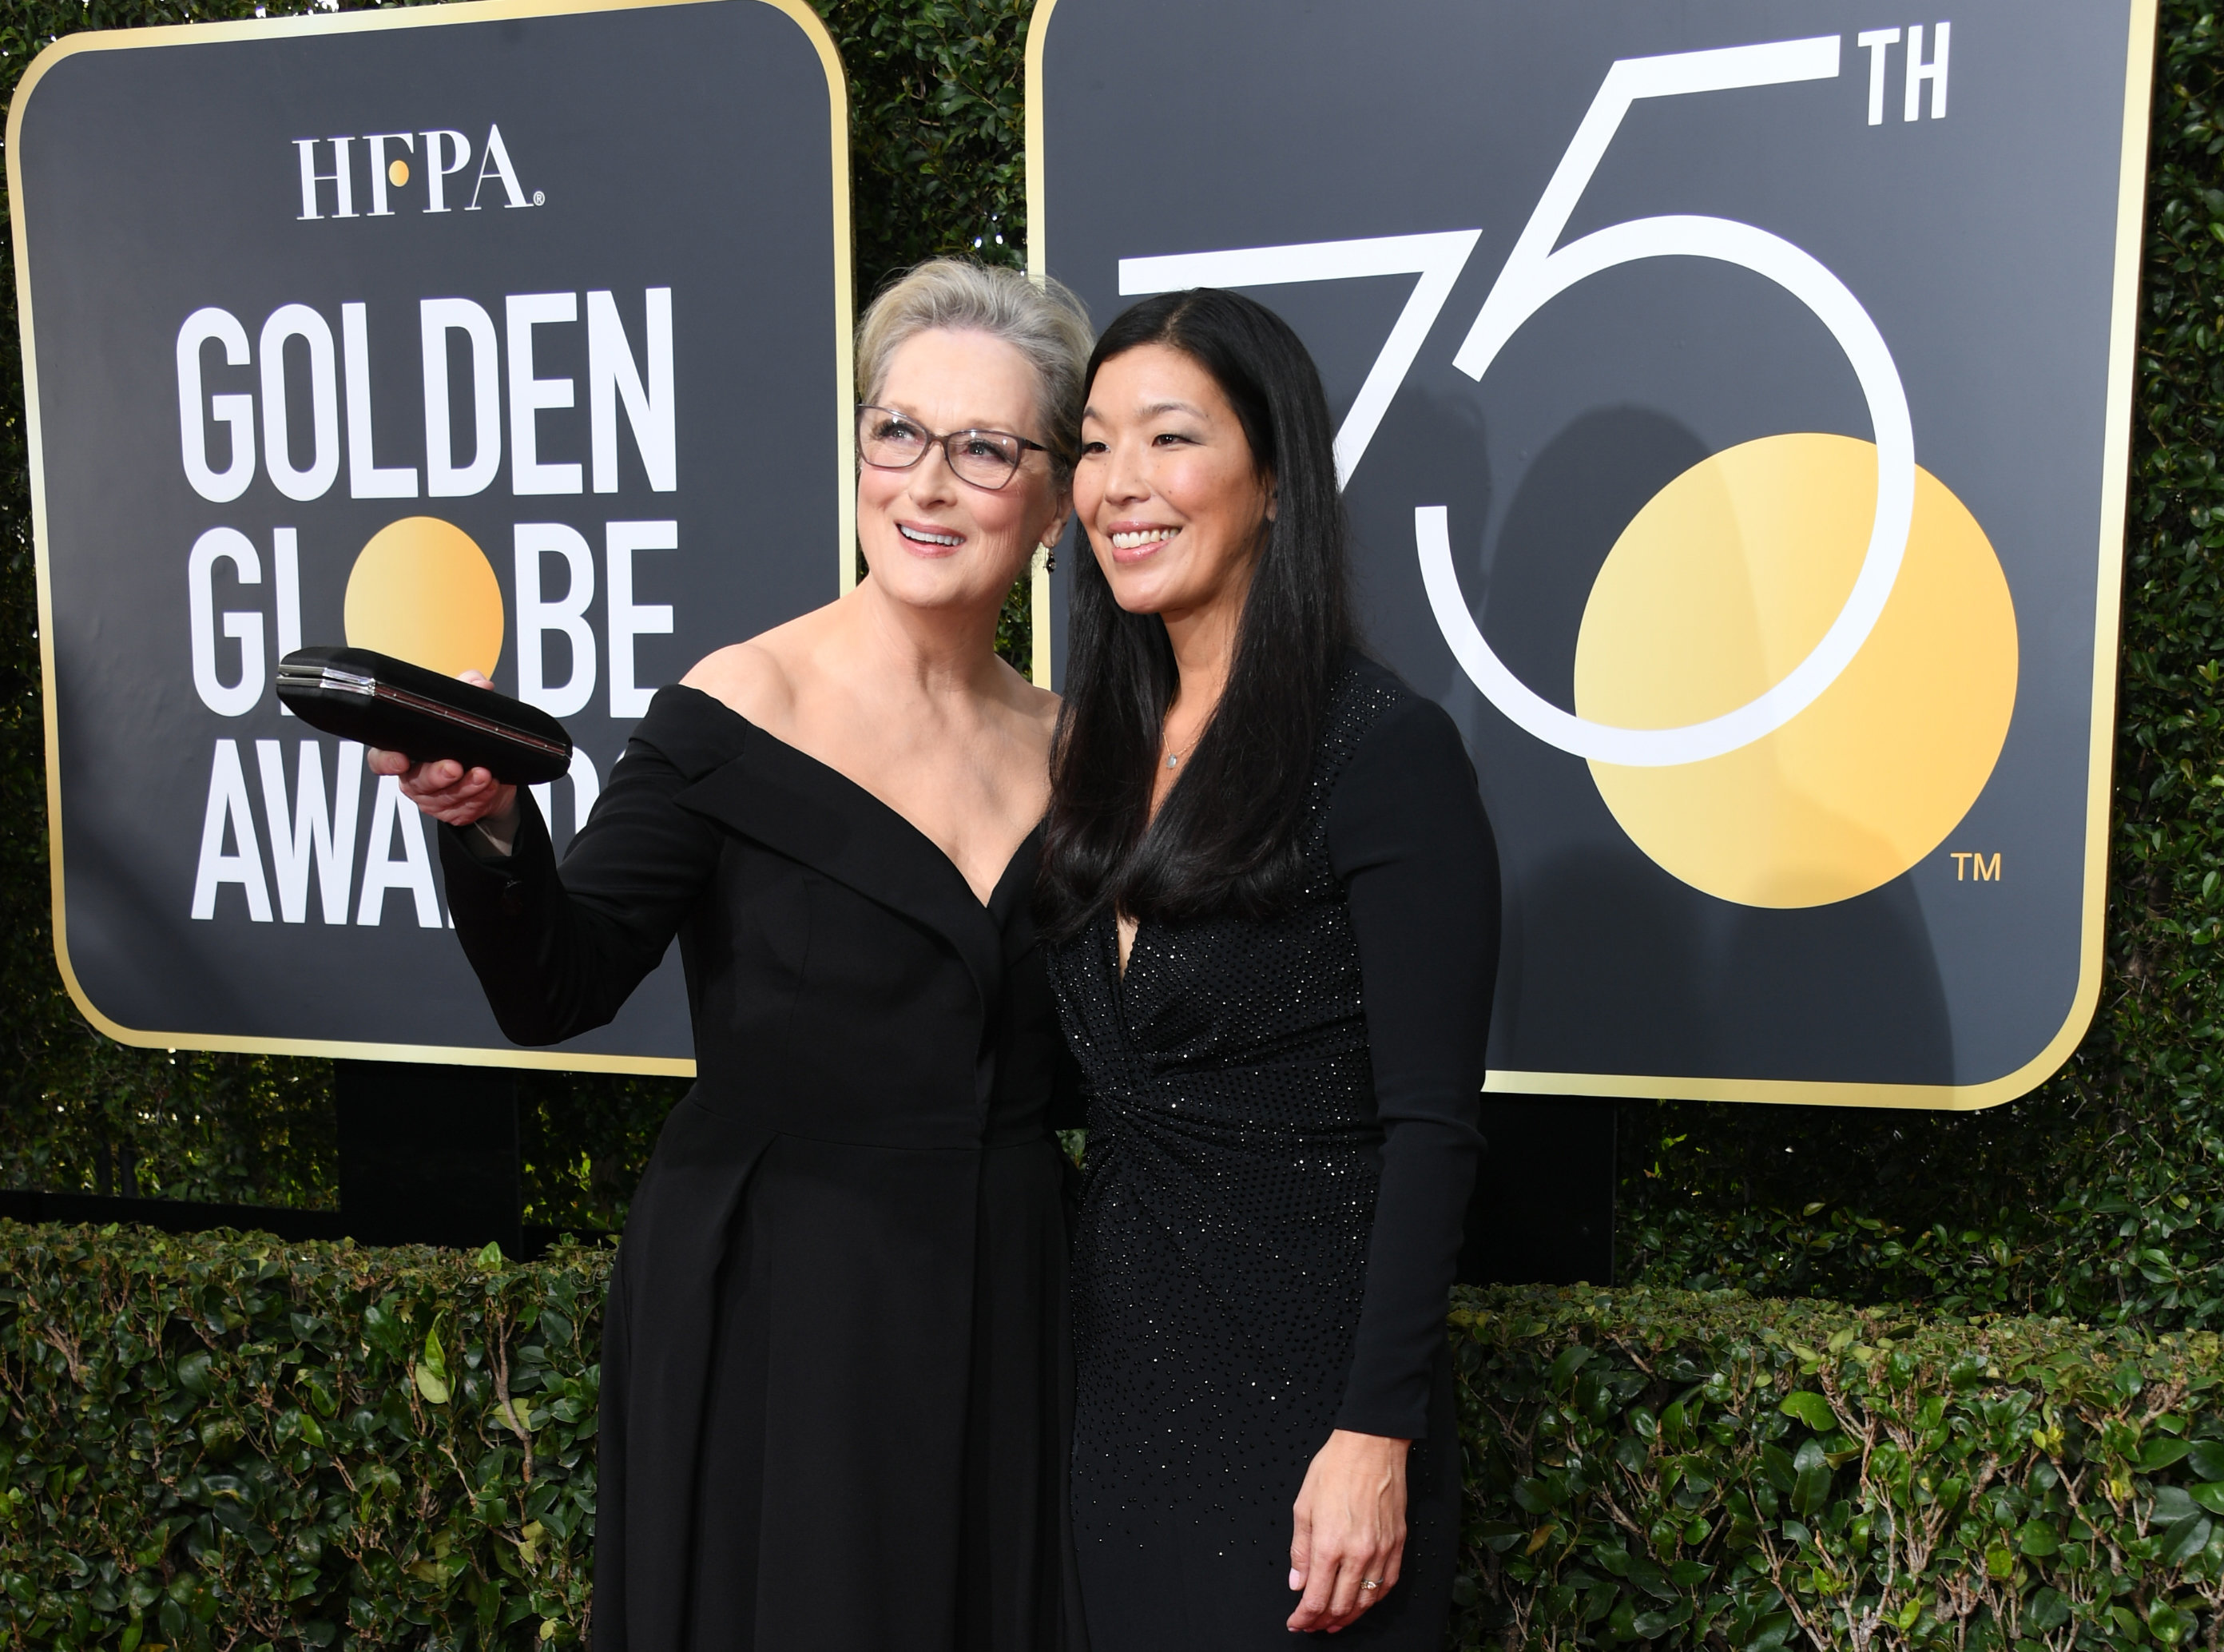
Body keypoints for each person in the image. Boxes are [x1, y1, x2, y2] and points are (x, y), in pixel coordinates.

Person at [373, 258, 1094, 1652]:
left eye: (985, 449)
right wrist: (495, 828)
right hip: (783, 1296)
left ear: (1057, 499)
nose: (927, 484)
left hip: (1007, 1290)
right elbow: (558, 987)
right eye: (897, 431)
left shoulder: (1079, 750)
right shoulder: (739, 702)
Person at [1035, 288, 1499, 1649]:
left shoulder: (1380, 754)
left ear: (1277, 478)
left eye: (1170, 440)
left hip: (1308, 1422)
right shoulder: (1097, 758)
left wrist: (1375, 1430)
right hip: (1114, 1398)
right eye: (1097, 445)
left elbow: (1432, 1130)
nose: (1122, 485)